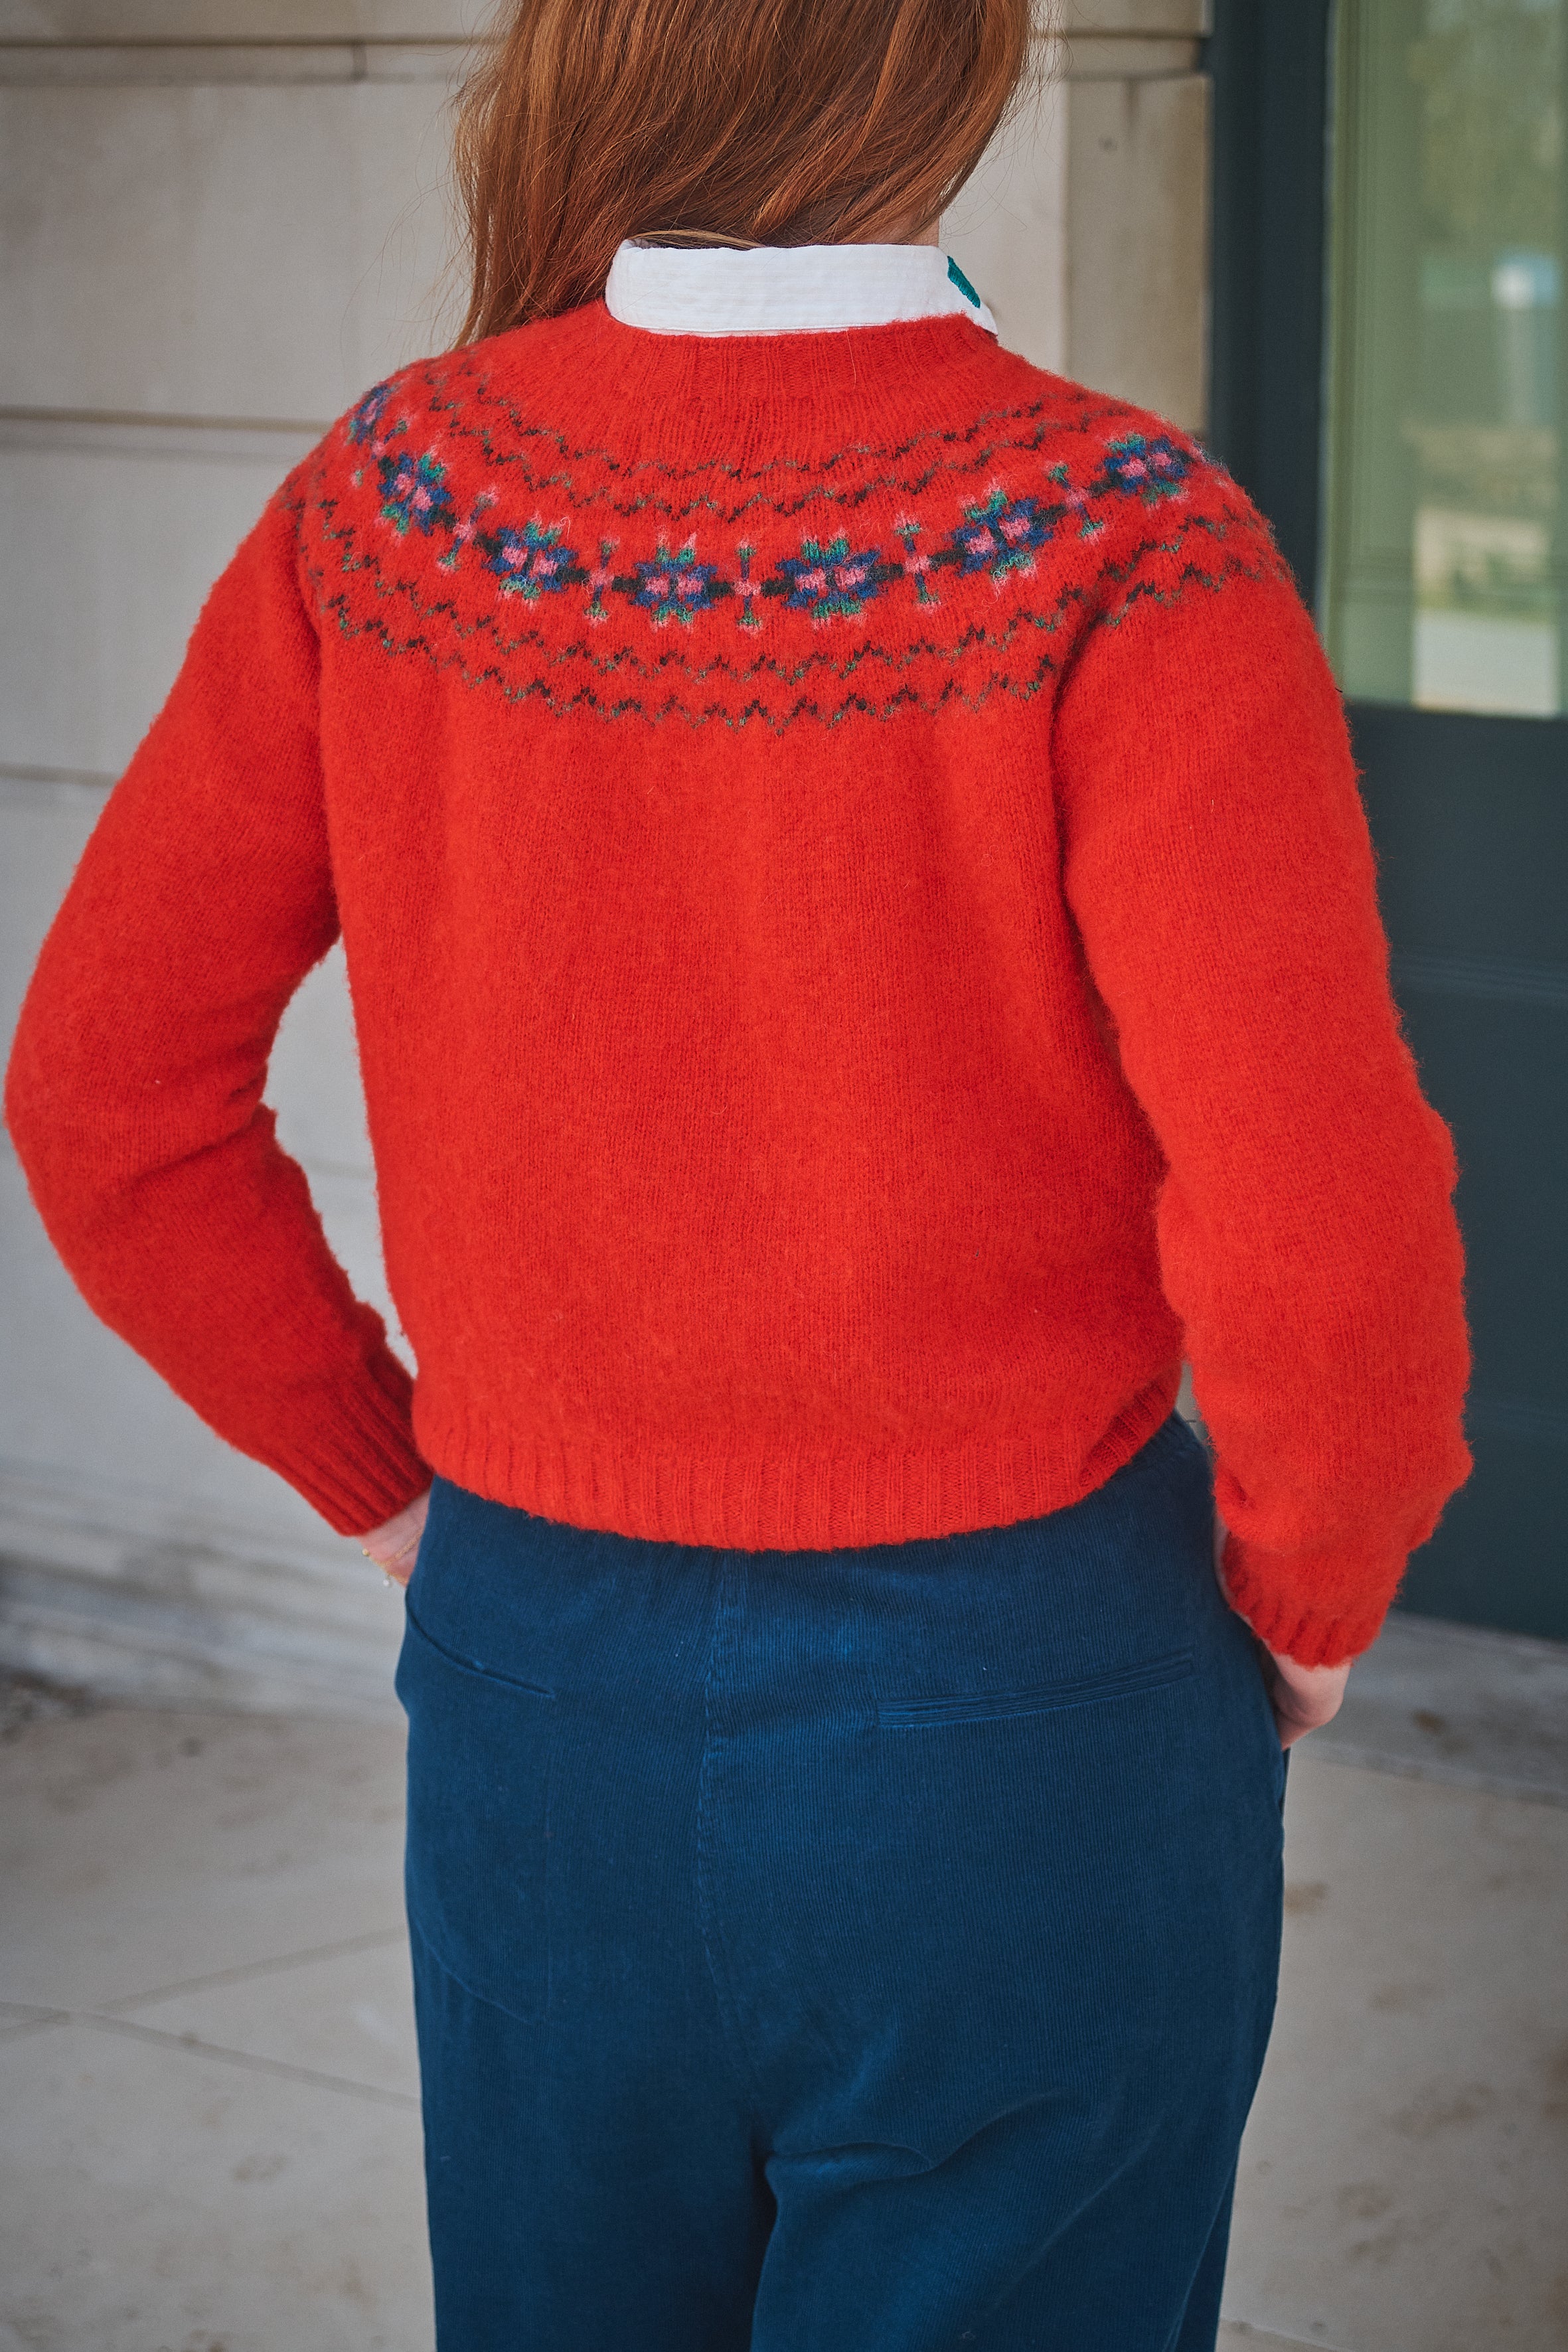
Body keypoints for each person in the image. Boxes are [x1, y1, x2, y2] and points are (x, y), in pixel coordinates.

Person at [4, 0, 1471, 2343]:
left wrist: (390, 1487)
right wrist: (1306, 1589)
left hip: (534, 1685)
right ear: (954, 71)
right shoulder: (1119, 544)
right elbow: (1324, 1225)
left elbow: (103, 1094)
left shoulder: (389, 506)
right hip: (1029, 1695)